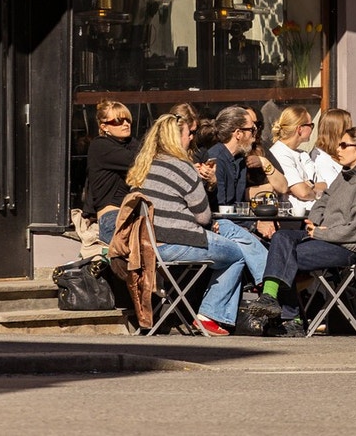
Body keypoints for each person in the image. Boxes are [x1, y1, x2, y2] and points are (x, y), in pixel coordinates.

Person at [124, 113, 264, 336]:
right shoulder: (183, 168)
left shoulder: (144, 166)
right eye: (189, 133)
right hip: (178, 242)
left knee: (228, 233)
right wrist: (209, 183)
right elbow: (203, 217)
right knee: (236, 253)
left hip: (147, 246)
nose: (192, 138)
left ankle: (261, 283)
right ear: (175, 137)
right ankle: (210, 315)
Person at [253, 126, 356, 336]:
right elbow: (323, 200)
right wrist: (313, 223)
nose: (338, 149)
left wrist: (321, 233)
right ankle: (270, 300)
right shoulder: (345, 175)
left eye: (344, 145)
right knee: (281, 237)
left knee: (286, 255)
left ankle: (292, 318)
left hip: (345, 247)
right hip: (324, 237)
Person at [201, 105, 272, 284]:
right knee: (258, 248)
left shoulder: (239, 159)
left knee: (279, 245)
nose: (254, 134)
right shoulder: (216, 158)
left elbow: (238, 202)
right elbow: (222, 206)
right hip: (218, 225)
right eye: (251, 129)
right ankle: (270, 289)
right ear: (238, 133)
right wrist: (254, 226)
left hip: (235, 222)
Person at [84, 100, 136, 240]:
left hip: (132, 216)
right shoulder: (100, 146)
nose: (126, 124)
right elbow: (140, 161)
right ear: (104, 127)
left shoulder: (130, 143)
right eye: (118, 120)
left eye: (128, 119)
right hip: (113, 218)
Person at [269, 105, 322, 217]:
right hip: (293, 217)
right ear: (299, 129)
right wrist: (311, 190)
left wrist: (309, 185)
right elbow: (302, 192)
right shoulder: (280, 153)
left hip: (314, 213)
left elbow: (323, 185)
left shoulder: (303, 154)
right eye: (311, 125)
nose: (313, 129)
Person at [310, 107, 353, 189]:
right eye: (348, 130)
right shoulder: (320, 161)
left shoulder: (336, 155)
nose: (351, 134)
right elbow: (336, 191)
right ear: (337, 132)